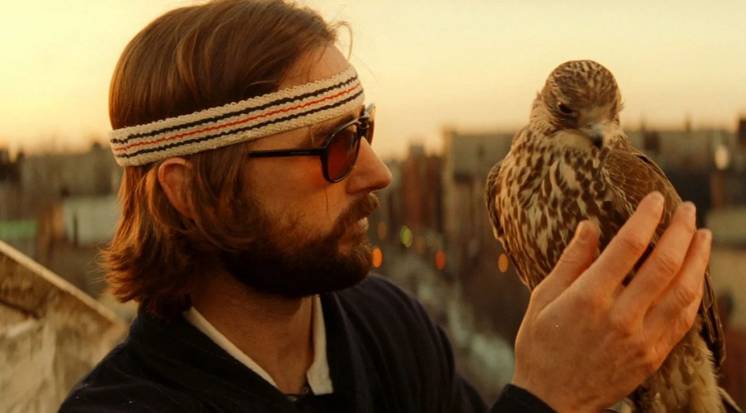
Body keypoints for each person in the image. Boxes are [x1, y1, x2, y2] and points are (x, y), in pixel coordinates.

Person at [59, 1, 712, 412]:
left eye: (364, 131)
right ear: (190, 189)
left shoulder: (387, 325)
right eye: (333, 147)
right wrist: (549, 400)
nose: (379, 171)